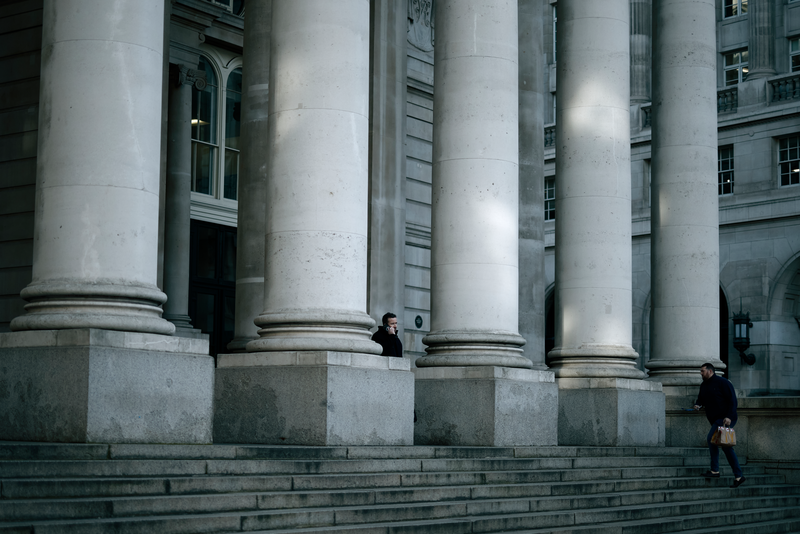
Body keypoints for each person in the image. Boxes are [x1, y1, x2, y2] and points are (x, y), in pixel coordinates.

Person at [693, 362, 745, 488]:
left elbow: (733, 400)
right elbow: (701, 399)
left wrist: (729, 416)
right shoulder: (704, 385)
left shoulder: (723, 382)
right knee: (726, 447)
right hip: (716, 419)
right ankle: (739, 476)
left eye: (702, 371)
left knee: (711, 440)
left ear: (710, 371)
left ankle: (715, 470)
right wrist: (698, 405)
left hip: (725, 419)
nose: (701, 373)